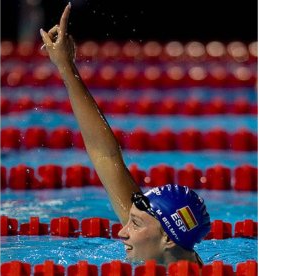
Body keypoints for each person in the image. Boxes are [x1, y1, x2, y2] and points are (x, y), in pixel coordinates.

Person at [39, 3, 211, 266]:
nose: (121, 231)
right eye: (130, 220)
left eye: (135, 224)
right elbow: (105, 156)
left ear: (168, 238)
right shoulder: (156, 233)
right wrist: (66, 67)